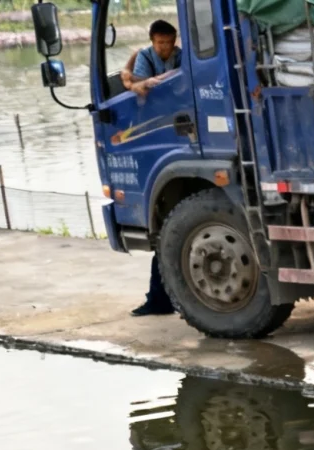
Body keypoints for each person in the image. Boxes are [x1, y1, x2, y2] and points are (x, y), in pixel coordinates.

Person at [125, 20, 182, 317]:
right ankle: (160, 299)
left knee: (168, 236)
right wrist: (140, 82)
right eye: (160, 43)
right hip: (161, 133)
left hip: (172, 136)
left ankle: (161, 300)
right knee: (168, 235)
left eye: (168, 42)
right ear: (152, 41)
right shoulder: (144, 57)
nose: (165, 48)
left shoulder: (182, 56)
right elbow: (137, 84)